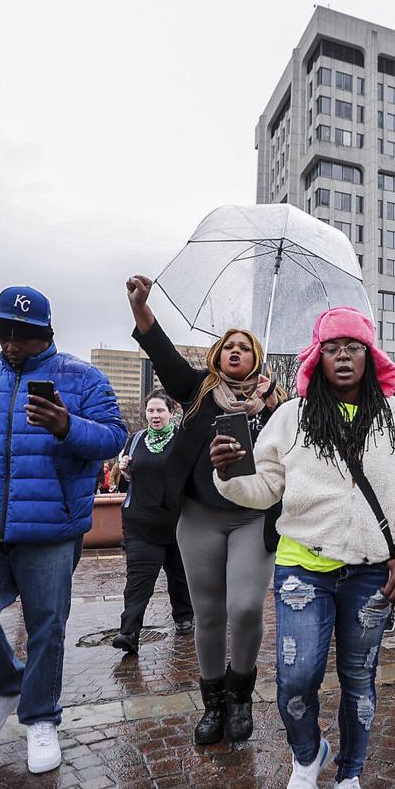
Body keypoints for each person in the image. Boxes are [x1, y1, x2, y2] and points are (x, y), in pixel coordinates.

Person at [213, 307, 395, 789]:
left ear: (369, 356)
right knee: (296, 678)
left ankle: (349, 780)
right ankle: (306, 756)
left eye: (353, 346)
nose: (343, 354)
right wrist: (229, 472)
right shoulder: (290, 417)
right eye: (333, 346)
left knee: (359, 680)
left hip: (370, 574)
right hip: (301, 568)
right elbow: (264, 487)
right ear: (317, 357)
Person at [0, 286, 126, 773]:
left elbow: (113, 436)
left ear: (45, 333)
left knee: (47, 626)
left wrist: (66, 425)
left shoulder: (83, 378)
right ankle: (5, 684)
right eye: (4, 333)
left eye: (22, 335)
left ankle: (41, 716)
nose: (12, 344)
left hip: (50, 527)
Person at [126, 274, 285, 744]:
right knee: (209, 612)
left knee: (246, 607)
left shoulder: (274, 406)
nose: (236, 351)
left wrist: (274, 409)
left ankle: (241, 694)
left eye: (245, 347)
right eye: (228, 346)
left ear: (257, 358)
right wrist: (139, 305)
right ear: (218, 356)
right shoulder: (196, 390)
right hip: (198, 517)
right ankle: (214, 704)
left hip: (252, 518)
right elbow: (161, 351)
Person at [110, 391, 193, 654]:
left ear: (171, 412)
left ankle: (183, 617)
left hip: (177, 522)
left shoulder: (183, 440)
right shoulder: (135, 440)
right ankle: (129, 632)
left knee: (179, 576)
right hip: (141, 522)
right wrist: (124, 470)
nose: (155, 416)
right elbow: (124, 479)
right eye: (151, 411)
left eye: (160, 411)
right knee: (138, 580)